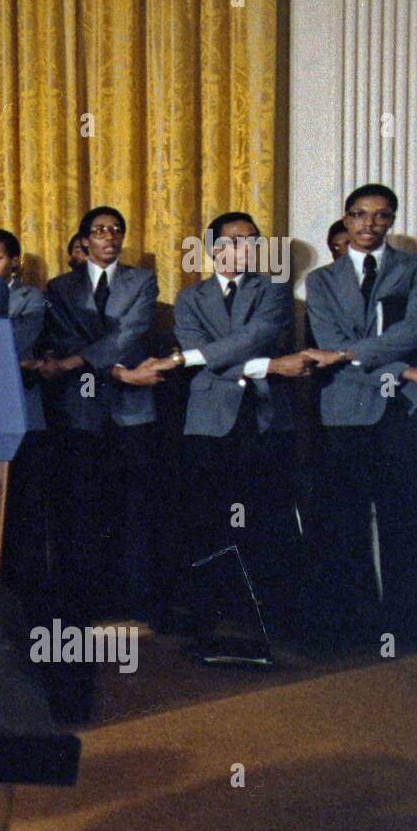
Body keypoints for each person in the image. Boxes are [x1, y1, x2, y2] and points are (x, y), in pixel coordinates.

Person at [160, 213, 313, 635]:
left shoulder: (274, 290)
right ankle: (211, 610)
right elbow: (195, 350)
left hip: (264, 420)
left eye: (250, 241)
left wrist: (204, 359)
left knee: (267, 517)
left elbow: (255, 336)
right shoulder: (190, 298)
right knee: (210, 516)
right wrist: (269, 366)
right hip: (209, 423)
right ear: (211, 248)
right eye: (231, 241)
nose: (241, 249)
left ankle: (276, 615)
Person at [303, 184, 417, 648]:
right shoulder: (321, 280)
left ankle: (415, 627)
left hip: (403, 410)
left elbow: (416, 329)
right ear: (346, 218)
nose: (369, 225)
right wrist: (403, 368)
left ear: (392, 221)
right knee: (346, 523)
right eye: (360, 215)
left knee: (410, 519)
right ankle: (355, 629)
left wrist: (345, 353)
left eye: (381, 216)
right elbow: (326, 338)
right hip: (345, 410)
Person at [40, 206, 163, 628]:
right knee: (82, 508)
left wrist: (78, 359)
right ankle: (85, 602)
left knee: (136, 507)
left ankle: (138, 599)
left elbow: (132, 332)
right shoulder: (59, 287)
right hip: (80, 409)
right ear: (85, 240)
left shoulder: (142, 280)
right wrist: (116, 371)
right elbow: (63, 336)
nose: (109, 236)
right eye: (99, 230)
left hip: (133, 412)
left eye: (116, 230)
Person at [0, 229, 48, 610]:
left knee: (22, 507)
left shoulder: (30, 298)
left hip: (22, 411)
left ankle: (25, 598)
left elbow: (9, 344)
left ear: (15, 263)